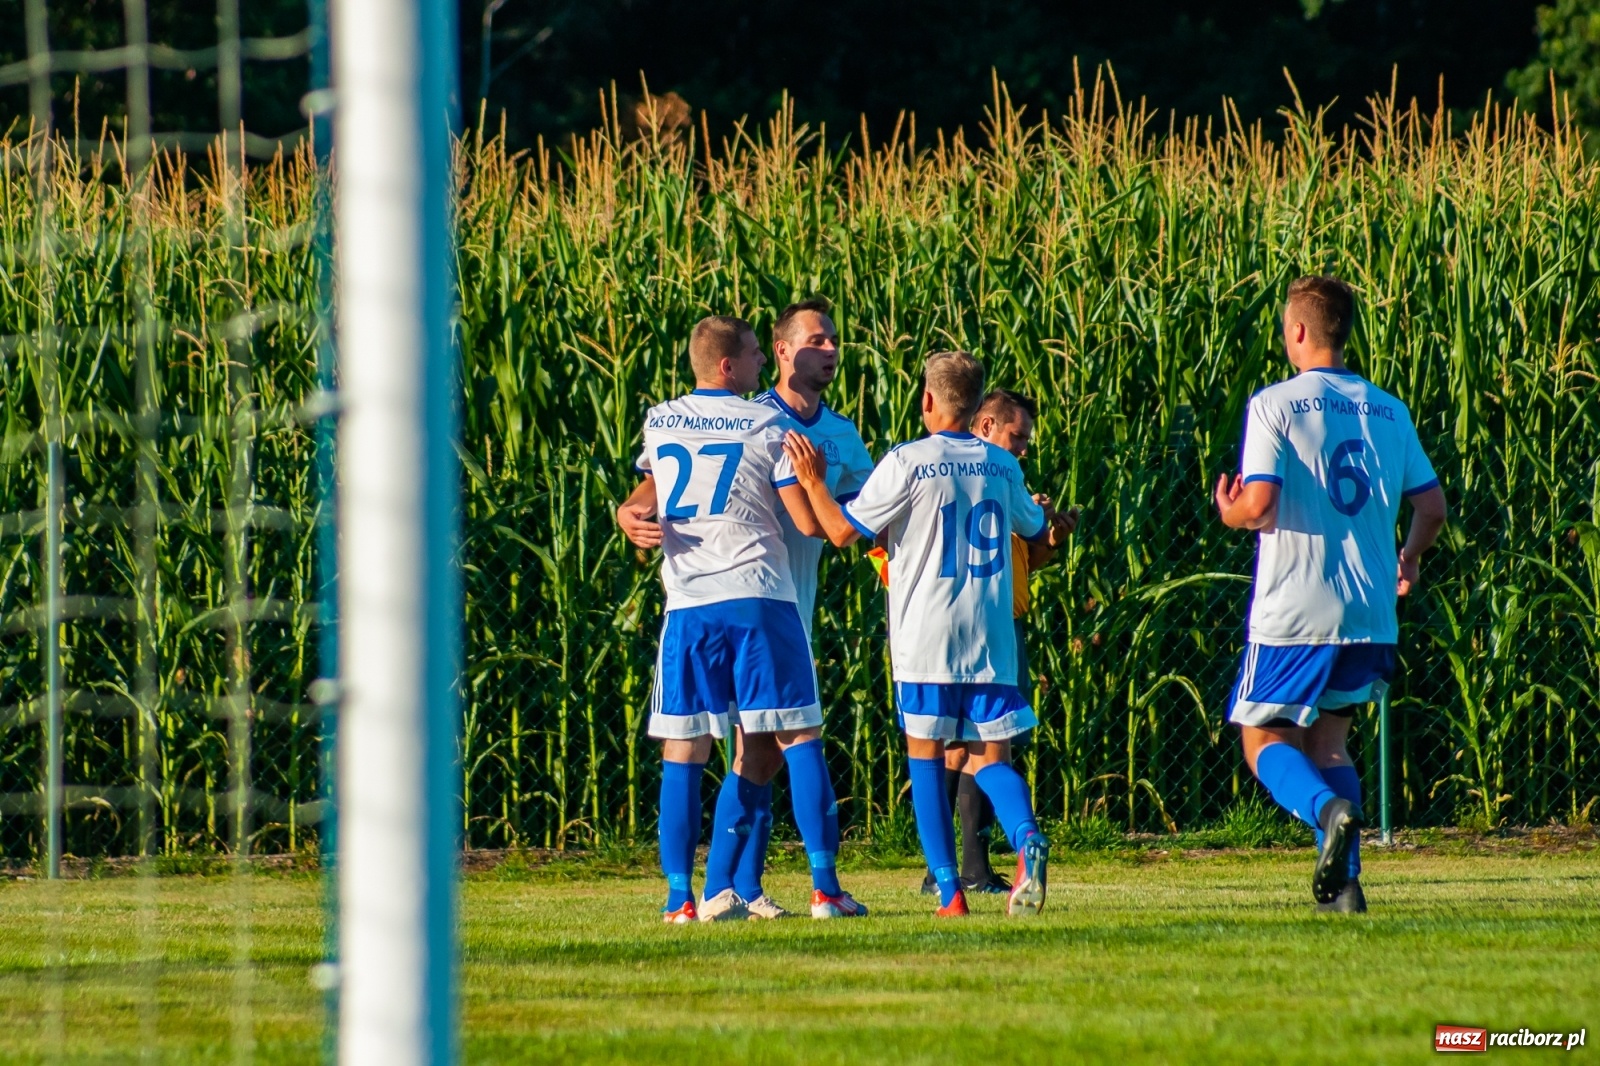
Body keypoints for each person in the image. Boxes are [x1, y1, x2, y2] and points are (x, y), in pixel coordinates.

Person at [613, 314, 866, 923]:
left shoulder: (661, 418)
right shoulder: (766, 422)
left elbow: (650, 493)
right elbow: (808, 525)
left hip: (690, 605)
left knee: (685, 749)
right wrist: (813, 479)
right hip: (760, 597)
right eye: (755, 356)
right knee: (798, 736)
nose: (759, 367)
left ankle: (682, 899)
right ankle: (825, 888)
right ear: (729, 365)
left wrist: (628, 512)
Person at [785, 351, 1053, 918]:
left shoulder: (907, 461)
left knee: (927, 760)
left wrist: (811, 481)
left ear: (927, 400)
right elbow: (1035, 529)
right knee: (990, 759)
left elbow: (838, 532)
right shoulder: (1003, 466)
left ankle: (951, 893)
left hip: (926, 638)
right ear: (979, 407)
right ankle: (1027, 836)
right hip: (990, 639)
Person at [1215, 275, 1448, 914]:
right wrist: (1409, 556)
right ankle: (1345, 891)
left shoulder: (1277, 404)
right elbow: (1432, 507)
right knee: (1332, 744)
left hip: (1297, 609)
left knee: (1262, 740)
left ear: (1297, 332)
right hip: (1371, 610)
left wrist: (1230, 510)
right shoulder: (1389, 409)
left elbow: (1260, 506)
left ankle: (1327, 810)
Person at [698, 298, 874, 919]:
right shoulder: (749, 422)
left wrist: (887, 559)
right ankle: (767, 887)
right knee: (773, 745)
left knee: (762, 752)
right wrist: (630, 507)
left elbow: (861, 521)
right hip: (751, 609)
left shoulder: (843, 434)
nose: (829, 350)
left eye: (834, 341)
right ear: (780, 350)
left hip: (793, 608)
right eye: (816, 340)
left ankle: (740, 889)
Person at [918, 388, 1076, 895]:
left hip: (965, 628)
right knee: (983, 751)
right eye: (1018, 435)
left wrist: (1048, 540)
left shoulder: (992, 478)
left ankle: (953, 872)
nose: (1024, 448)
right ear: (984, 426)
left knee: (951, 749)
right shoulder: (987, 477)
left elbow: (1023, 559)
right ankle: (974, 865)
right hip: (981, 633)